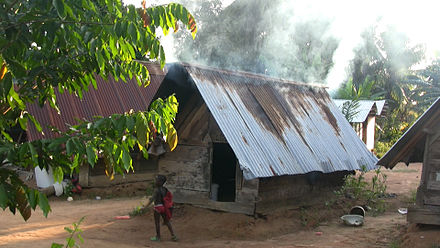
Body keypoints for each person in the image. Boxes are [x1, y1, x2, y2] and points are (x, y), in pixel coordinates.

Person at [149, 175, 177, 242]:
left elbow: (152, 199)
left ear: (160, 182)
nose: (155, 181)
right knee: (167, 221)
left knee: (157, 223)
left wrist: (145, 207)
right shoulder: (165, 189)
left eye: (157, 180)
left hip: (157, 207)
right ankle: (173, 235)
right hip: (163, 207)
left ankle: (158, 237)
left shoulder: (156, 190)